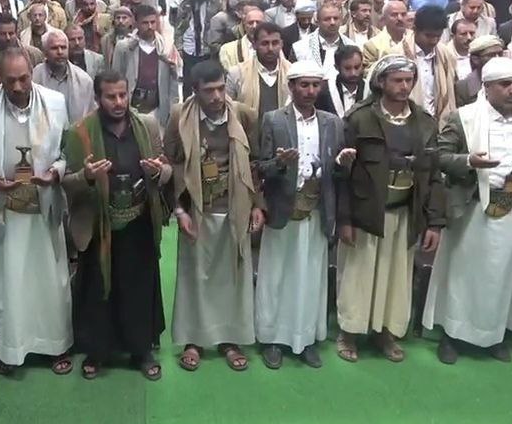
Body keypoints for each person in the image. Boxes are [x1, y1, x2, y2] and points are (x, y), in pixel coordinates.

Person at [424, 57, 512, 364]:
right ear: (487, 87)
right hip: (474, 208)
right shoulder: (464, 117)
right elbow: (439, 156)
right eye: (505, 85)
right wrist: (469, 161)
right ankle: (453, 335)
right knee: (464, 275)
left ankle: (493, 336)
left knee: (503, 275)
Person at [0, 48, 73, 376]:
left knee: (48, 281)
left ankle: (54, 345)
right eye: (10, 80)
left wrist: (55, 172)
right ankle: (9, 349)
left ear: (32, 73)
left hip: (43, 209)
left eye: (24, 78)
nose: (18, 86)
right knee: (7, 282)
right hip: (4, 212)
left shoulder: (55, 103)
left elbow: (67, 151)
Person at [336, 55, 444, 363]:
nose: (404, 86)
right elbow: (343, 174)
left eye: (409, 80)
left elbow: (433, 175)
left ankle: (386, 333)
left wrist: (434, 222)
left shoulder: (424, 122)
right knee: (358, 276)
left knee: (397, 278)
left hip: (405, 211)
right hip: (366, 212)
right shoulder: (359, 118)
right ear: (381, 82)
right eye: (397, 80)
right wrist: (345, 219)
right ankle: (350, 333)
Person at [63, 70, 170, 381]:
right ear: (98, 98)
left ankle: (141, 350)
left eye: (123, 95)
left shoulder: (147, 126)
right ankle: (97, 352)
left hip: (138, 222)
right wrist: (86, 177)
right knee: (98, 291)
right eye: (111, 97)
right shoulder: (80, 133)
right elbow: (67, 183)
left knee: (139, 288)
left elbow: (166, 170)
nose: (119, 102)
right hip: (99, 225)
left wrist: (157, 172)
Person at [164, 60, 265, 372]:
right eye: (209, 91)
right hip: (196, 209)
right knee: (195, 278)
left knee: (232, 278)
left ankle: (230, 340)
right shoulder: (179, 116)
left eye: (221, 88)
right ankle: (194, 340)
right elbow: (170, 164)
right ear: (195, 90)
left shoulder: (244, 115)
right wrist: (179, 210)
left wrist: (257, 205)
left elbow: (256, 164)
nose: (218, 96)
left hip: (236, 208)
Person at [255, 61, 348, 369]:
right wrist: (280, 164)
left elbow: (335, 171)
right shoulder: (273, 120)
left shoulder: (332, 123)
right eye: (304, 85)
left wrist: (341, 164)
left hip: (316, 210)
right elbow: (261, 167)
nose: (310, 91)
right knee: (276, 275)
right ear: (291, 86)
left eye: (315, 85)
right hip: (283, 209)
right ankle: (273, 339)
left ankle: (305, 338)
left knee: (311, 275)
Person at [112, 4, 180, 127]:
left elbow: (173, 79)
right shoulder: (125, 47)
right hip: (132, 106)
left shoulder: (165, 47)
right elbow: (116, 77)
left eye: (153, 22)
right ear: (136, 23)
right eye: (145, 23)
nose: (150, 26)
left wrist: (173, 106)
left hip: (157, 108)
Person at [399, 5, 458, 123]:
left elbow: (450, 95)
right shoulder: (397, 54)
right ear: (415, 29)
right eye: (429, 36)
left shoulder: (446, 54)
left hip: (439, 123)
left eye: (438, 36)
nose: (434, 41)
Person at [226, 21, 292, 123]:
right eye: (265, 43)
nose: (270, 49)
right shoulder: (237, 73)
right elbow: (228, 109)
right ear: (254, 44)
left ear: (281, 44)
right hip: (246, 131)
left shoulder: (292, 72)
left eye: (275, 43)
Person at [32, 30, 95, 125]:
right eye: (54, 48)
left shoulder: (84, 81)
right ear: (45, 52)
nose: (60, 52)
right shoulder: (34, 78)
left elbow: (90, 117)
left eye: (63, 47)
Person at [173, 0, 219, 98]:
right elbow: (178, 27)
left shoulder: (214, 2)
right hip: (189, 46)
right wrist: (179, 46)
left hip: (207, 47)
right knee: (188, 82)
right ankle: (187, 105)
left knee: (207, 81)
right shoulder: (185, 3)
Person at [293, 2, 353, 77]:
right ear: (318, 21)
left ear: (341, 20)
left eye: (336, 18)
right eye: (327, 19)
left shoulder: (351, 46)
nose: (332, 22)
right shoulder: (299, 48)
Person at [316, 45, 367, 118]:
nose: (353, 73)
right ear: (337, 67)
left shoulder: (370, 90)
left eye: (357, 67)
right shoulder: (324, 90)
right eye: (347, 68)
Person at [361, 1, 411, 70]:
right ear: (384, 19)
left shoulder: (416, 39)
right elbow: (368, 73)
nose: (400, 18)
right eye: (394, 15)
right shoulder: (372, 46)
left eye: (403, 14)